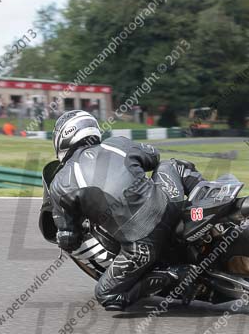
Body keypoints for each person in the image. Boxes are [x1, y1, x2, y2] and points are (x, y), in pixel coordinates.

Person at [48, 110, 203, 311]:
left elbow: (69, 237)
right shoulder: (117, 144)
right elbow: (154, 156)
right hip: (169, 204)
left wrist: (64, 236)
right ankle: (206, 196)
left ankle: (173, 275)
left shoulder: (60, 182)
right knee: (170, 165)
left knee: (106, 294)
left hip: (143, 246)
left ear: (63, 138)